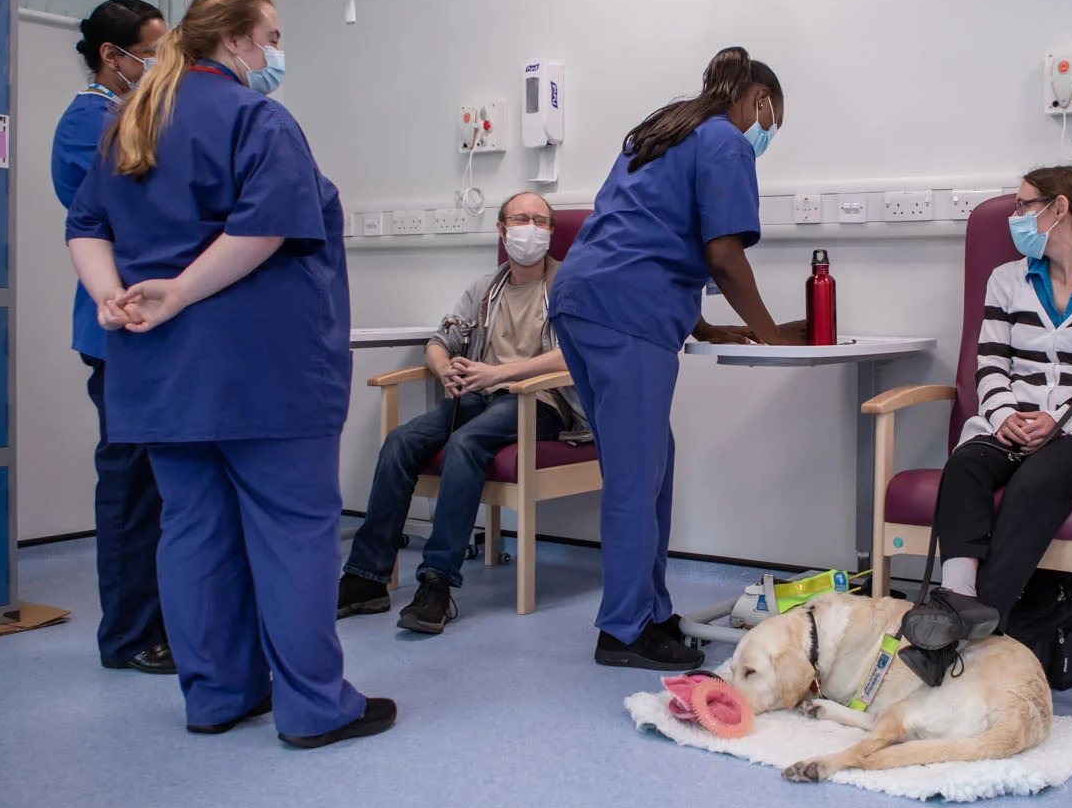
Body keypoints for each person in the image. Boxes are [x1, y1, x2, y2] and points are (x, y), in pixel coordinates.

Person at [64, 0, 394, 749]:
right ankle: (315, 706)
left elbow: (85, 223)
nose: (275, 52)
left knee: (193, 530)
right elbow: (267, 227)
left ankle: (216, 695)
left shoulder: (132, 122)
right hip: (262, 371)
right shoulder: (255, 118)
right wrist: (177, 293)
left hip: (162, 372)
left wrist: (115, 297)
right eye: (270, 35)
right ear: (237, 39)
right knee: (290, 531)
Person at [549, 46, 806, 671]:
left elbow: (642, 230)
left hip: (583, 299)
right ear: (761, 100)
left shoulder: (662, 130)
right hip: (627, 314)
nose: (765, 130)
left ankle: (649, 611)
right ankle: (624, 631)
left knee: (649, 460)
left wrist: (706, 324)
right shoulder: (726, 140)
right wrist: (770, 332)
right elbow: (721, 255)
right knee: (638, 476)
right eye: (771, 118)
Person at [337, 191, 591, 635]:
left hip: (541, 404)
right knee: (401, 441)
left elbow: (575, 356)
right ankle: (366, 577)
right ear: (501, 229)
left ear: (551, 232)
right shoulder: (483, 290)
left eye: (539, 220)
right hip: (480, 396)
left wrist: (501, 373)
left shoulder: (570, 285)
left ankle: (436, 582)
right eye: (519, 219)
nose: (529, 228)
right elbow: (439, 342)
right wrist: (445, 371)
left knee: (465, 443)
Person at [929, 164, 1072, 646]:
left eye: (1023, 204)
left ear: (1059, 208)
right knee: (966, 464)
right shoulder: (1006, 280)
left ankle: (974, 630)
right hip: (1013, 421)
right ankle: (955, 599)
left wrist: (1060, 420)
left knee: (1034, 481)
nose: (1014, 215)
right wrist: (1003, 415)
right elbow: (989, 362)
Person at [51, 0, 173, 675]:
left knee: (155, 485)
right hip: (117, 326)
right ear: (112, 55)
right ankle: (128, 636)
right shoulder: (89, 123)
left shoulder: (130, 116)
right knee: (129, 487)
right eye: (150, 52)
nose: (158, 65)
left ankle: (159, 624)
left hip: (150, 325)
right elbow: (117, 216)